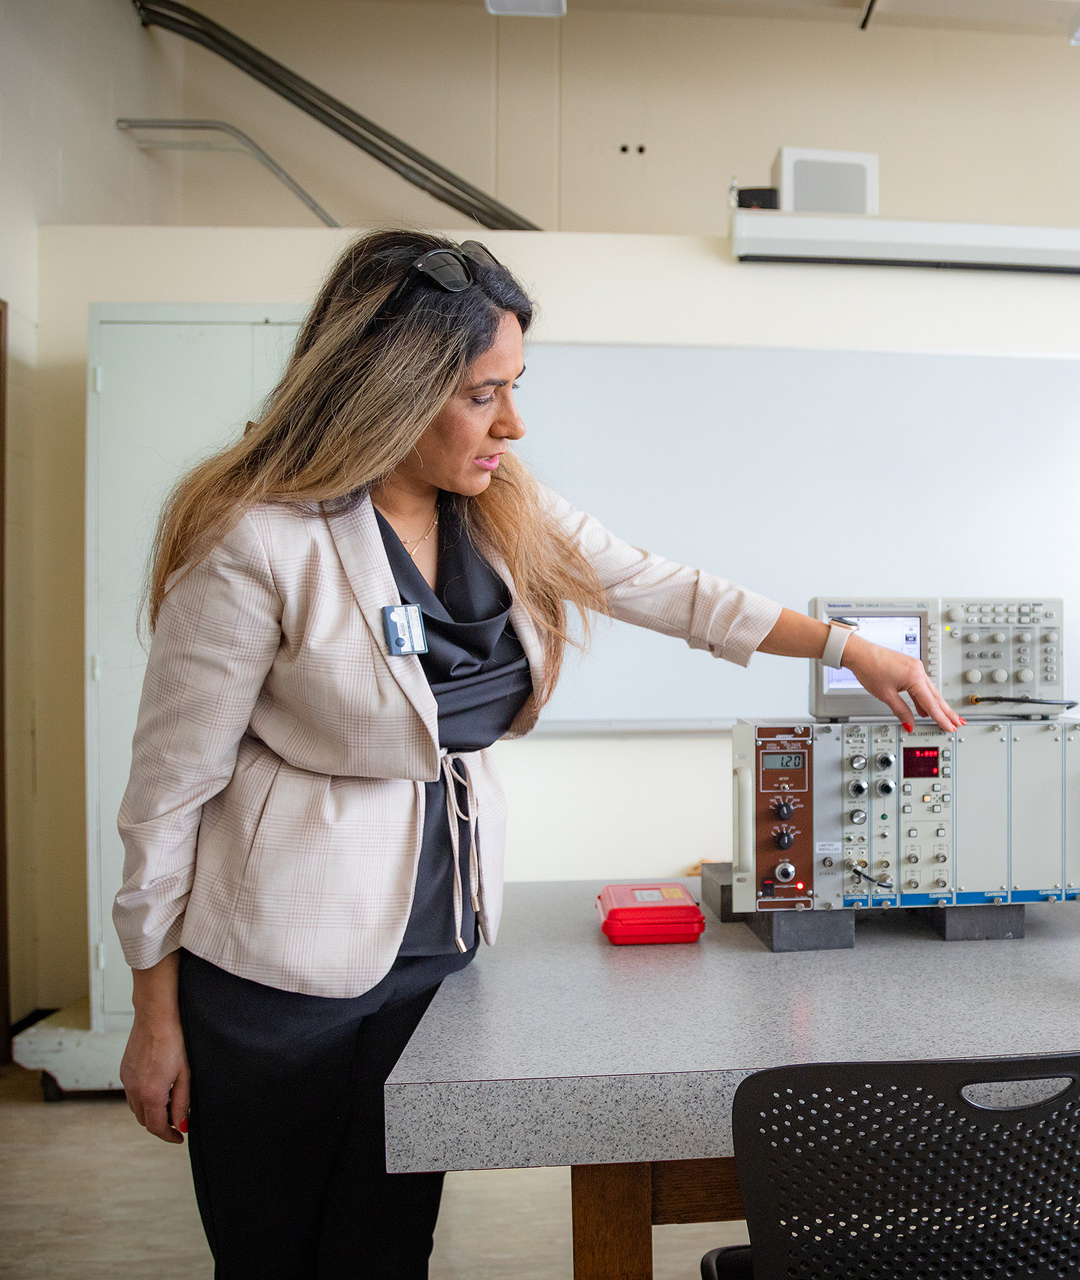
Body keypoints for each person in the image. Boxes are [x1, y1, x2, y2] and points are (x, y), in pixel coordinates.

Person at [113, 229, 964, 1276]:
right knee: (276, 1254)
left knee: (384, 1249)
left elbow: (670, 588)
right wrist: (156, 1015)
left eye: (515, 385)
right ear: (390, 389)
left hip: (437, 947)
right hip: (276, 972)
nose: (512, 423)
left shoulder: (500, 507)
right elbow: (167, 794)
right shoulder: (258, 538)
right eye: (482, 394)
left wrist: (847, 647)